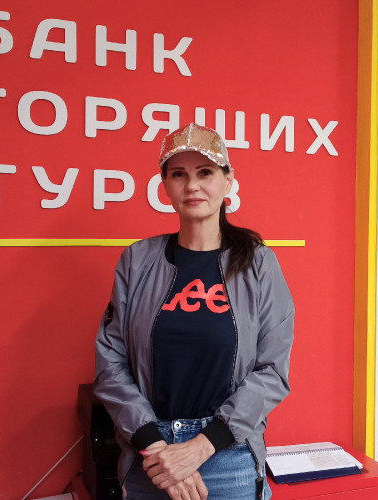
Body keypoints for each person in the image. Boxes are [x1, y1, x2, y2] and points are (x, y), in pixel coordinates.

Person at [94, 123, 294, 500]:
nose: (192, 186)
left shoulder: (259, 264)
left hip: (229, 454)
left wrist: (201, 446)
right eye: (178, 174)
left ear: (228, 181)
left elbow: (272, 371)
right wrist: (156, 447)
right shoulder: (137, 261)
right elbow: (111, 364)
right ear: (165, 185)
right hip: (149, 453)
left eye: (205, 172)